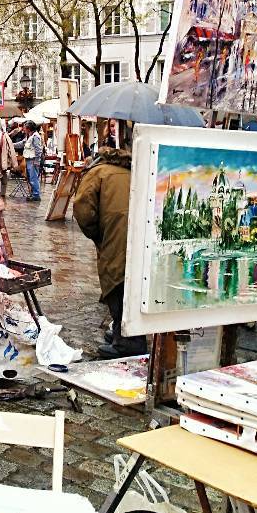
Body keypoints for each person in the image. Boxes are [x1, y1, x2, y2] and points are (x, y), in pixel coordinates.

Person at [73, 119, 147, 358]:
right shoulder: (138, 169)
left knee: (116, 283)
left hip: (115, 235)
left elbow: (83, 211)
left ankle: (128, 342)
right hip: (140, 236)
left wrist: (97, 234)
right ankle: (122, 331)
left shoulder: (99, 173)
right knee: (133, 283)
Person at [22, 120, 43, 202]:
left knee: (34, 178)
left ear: (28, 129)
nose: (23, 129)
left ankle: (36, 195)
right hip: (29, 160)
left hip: (33, 160)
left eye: (24, 127)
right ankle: (33, 193)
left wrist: (37, 161)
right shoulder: (29, 136)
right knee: (31, 177)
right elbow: (22, 143)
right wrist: (11, 144)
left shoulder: (35, 137)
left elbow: (38, 150)